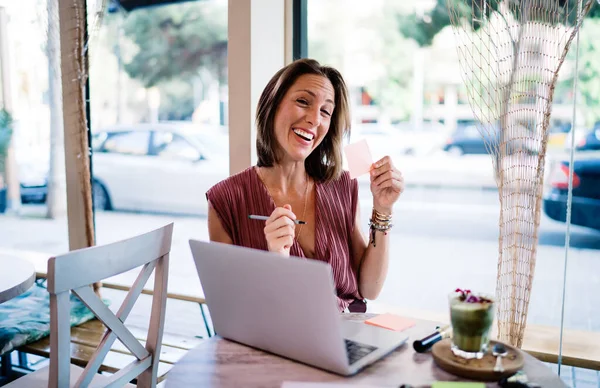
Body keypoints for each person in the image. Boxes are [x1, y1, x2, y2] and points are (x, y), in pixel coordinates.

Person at [206, 58, 404, 312]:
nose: (314, 119)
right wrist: (276, 260)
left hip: (348, 334)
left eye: (325, 111)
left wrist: (383, 209)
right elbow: (229, 309)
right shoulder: (226, 200)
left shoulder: (342, 185)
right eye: (303, 101)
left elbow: (370, 289)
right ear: (272, 105)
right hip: (275, 340)